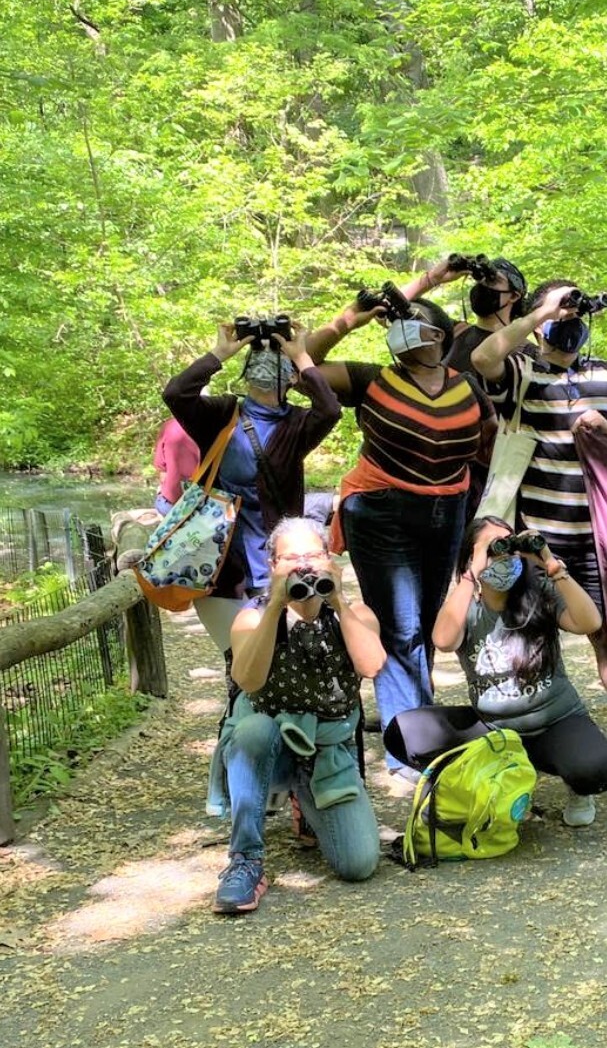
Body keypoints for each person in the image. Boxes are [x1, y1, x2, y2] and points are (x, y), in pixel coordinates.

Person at [471, 279, 607, 770]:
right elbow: (481, 359)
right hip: (537, 537)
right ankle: (530, 740)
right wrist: (542, 315)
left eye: (576, 308)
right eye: (563, 308)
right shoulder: (522, 372)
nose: (571, 319)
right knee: (529, 637)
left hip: (599, 535)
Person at [305, 261, 489, 780]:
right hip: (381, 510)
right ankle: (411, 750)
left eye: (412, 322)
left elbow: (489, 444)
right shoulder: (370, 380)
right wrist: (351, 320)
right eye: (395, 325)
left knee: (426, 629)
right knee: (400, 629)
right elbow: (306, 366)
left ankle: (416, 728)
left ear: (441, 334)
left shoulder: (466, 385)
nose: (402, 332)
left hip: (446, 510)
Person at [212, 517, 385, 914]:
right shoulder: (252, 616)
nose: (304, 566)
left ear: (330, 560)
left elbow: (372, 665)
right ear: (272, 565)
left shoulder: (355, 613)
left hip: (325, 750)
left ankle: (306, 806)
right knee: (254, 729)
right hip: (268, 746)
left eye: (313, 556)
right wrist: (276, 605)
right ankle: (245, 861)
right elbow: (249, 681)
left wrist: (337, 600)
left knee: (358, 865)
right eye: (291, 558)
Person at [162, 320, 340, 656]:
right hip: (220, 566)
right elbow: (176, 393)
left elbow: (330, 409)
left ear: (292, 378)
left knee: (282, 657)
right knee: (239, 661)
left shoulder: (298, 424)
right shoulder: (222, 414)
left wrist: (302, 357)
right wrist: (220, 353)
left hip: (280, 564)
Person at [430, 517, 607, 827]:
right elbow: (443, 640)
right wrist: (470, 575)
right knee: (410, 732)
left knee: (595, 770)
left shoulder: (540, 592)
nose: (504, 556)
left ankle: (574, 783)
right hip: (496, 731)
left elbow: (589, 623)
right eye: (494, 549)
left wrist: (550, 563)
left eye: (509, 545)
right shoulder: (466, 604)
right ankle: (511, 779)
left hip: (553, 722)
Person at [444, 258, 529, 373]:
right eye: (480, 279)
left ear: (513, 296)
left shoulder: (525, 351)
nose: (484, 284)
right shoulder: (452, 332)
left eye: (494, 280)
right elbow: (411, 308)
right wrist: (434, 278)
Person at [152, 417, 199, 515]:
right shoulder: (220, 426)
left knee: (162, 500)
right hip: (207, 506)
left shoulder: (170, 425)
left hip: (172, 505)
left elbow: (162, 470)